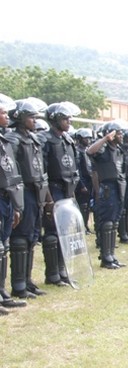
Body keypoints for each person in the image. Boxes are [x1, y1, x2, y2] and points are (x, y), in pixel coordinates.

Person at [6, 98, 51, 298]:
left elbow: (41, 169)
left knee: (32, 238)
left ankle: (27, 280)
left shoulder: (33, 139)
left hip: (36, 191)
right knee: (20, 240)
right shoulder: (14, 139)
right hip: (23, 191)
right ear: (20, 117)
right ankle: (18, 285)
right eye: (30, 117)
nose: (34, 120)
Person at [40, 101, 82, 285]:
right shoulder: (44, 140)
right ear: (54, 119)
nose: (69, 121)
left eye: (69, 118)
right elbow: (42, 172)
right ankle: (52, 274)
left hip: (67, 191)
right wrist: (48, 199)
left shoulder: (67, 140)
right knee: (52, 233)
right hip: (53, 189)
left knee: (65, 232)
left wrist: (72, 194)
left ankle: (63, 269)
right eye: (64, 118)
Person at [86, 121, 128, 269]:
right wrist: (105, 138)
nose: (121, 136)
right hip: (107, 188)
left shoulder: (118, 150)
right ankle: (105, 257)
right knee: (107, 224)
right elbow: (90, 151)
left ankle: (111, 255)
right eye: (119, 133)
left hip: (118, 187)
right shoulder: (103, 150)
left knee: (114, 223)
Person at [0, 94, 27, 313]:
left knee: (4, 247)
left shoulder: (7, 142)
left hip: (7, 198)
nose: (6, 116)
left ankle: (2, 293)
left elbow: (13, 173)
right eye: (1, 113)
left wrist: (17, 205)